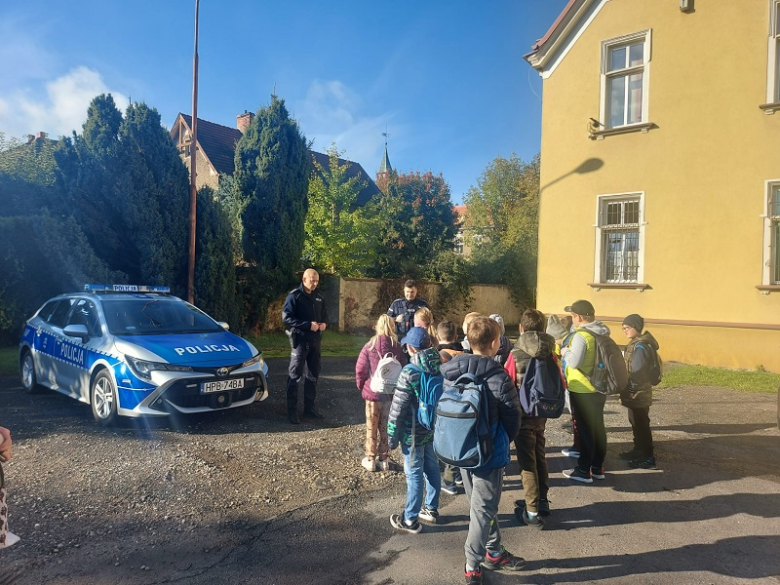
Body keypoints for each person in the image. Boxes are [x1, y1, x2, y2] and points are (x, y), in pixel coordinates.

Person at [440, 316, 525, 583]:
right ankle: (472, 563)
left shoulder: (452, 370)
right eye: (499, 338)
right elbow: (513, 419)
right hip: (488, 455)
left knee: (481, 507)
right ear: (492, 344)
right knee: (482, 509)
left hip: (461, 449)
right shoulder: (498, 377)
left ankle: (494, 551)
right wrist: (502, 441)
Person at [387, 328, 443, 533]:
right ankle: (431, 509)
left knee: (414, 474)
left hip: (412, 433)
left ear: (411, 347)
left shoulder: (409, 372)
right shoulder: (439, 364)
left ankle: (410, 519)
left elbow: (397, 409)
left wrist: (391, 437)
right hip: (431, 428)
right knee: (432, 467)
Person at [511, 309, 556, 528]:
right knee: (540, 454)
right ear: (543, 328)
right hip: (542, 412)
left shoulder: (515, 352)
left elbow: (508, 383)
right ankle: (542, 500)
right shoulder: (550, 351)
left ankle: (531, 510)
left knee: (527, 462)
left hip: (523, 413)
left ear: (521, 327)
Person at [560, 299, 611, 484]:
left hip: (582, 389)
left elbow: (574, 362)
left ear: (579, 317)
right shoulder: (602, 332)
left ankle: (583, 470)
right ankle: (597, 468)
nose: (572, 319)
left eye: (573, 315)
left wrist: (565, 350)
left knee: (586, 430)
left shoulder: (582, 336)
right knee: (598, 427)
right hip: (599, 387)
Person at [355, 315, 407, 472]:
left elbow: (360, 369)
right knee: (385, 426)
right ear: (392, 327)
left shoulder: (370, 346)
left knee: (371, 426)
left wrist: (362, 386)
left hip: (373, 392)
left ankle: (370, 459)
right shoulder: (398, 347)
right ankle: (384, 459)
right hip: (390, 393)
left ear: (378, 326)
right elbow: (403, 369)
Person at [283, 269, 328, 425]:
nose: (314, 283)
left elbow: (325, 316)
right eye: (312, 280)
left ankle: (309, 407)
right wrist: (308, 325)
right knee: (295, 376)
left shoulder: (319, 297)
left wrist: (323, 325)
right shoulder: (294, 296)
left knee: (313, 375)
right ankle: (292, 411)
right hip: (300, 342)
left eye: (317, 281)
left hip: (316, 342)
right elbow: (287, 318)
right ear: (304, 279)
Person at [620, 314, 659, 469]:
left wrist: (631, 389)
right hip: (637, 391)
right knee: (635, 421)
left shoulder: (641, 346)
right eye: (623, 328)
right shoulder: (637, 344)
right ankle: (638, 450)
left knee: (642, 423)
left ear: (635, 327)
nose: (625, 330)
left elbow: (637, 371)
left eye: (627, 327)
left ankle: (648, 457)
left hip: (639, 392)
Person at [435, 320, 465, 494]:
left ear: (438, 337)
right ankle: (459, 473)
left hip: (444, 404)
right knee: (459, 439)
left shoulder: (438, 356)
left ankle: (449, 480)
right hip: (463, 402)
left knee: (448, 443)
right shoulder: (465, 353)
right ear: (456, 336)